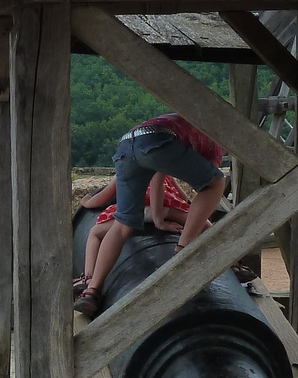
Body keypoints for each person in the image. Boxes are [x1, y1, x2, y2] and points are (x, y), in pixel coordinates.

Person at [76, 114, 226, 318]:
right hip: (156, 141)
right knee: (216, 183)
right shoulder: (215, 141)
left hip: (127, 143)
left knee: (122, 225)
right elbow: (203, 183)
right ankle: (184, 249)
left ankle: (92, 291)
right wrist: (159, 219)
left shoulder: (185, 123)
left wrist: (86, 203)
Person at [73, 175, 189, 296]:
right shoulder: (167, 174)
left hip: (133, 210)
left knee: (95, 233)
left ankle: (88, 277)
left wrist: (86, 202)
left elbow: (101, 198)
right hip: (165, 208)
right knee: (202, 225)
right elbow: (184, 198)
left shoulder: (123, 171)